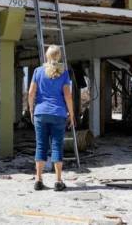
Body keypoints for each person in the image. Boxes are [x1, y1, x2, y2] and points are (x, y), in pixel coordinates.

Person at [28, 45, 75, 191]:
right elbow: (68, 95)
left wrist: (31, 109)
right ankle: (58, 181)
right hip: (58, 113)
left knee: (41, 145)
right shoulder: (64, 73)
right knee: (57, 146)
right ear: (59, 57)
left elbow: (31, 93)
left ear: (47, 56)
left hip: (40, 112)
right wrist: (71, 114)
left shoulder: (37, 71)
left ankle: (38, 179)